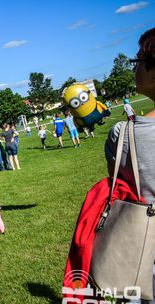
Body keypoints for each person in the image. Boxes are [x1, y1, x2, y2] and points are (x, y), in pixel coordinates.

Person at [105, 27, 155, 298]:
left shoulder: (124, 134)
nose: (134, 68)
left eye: (137, 62)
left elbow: (118, 188)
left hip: (145, 254)